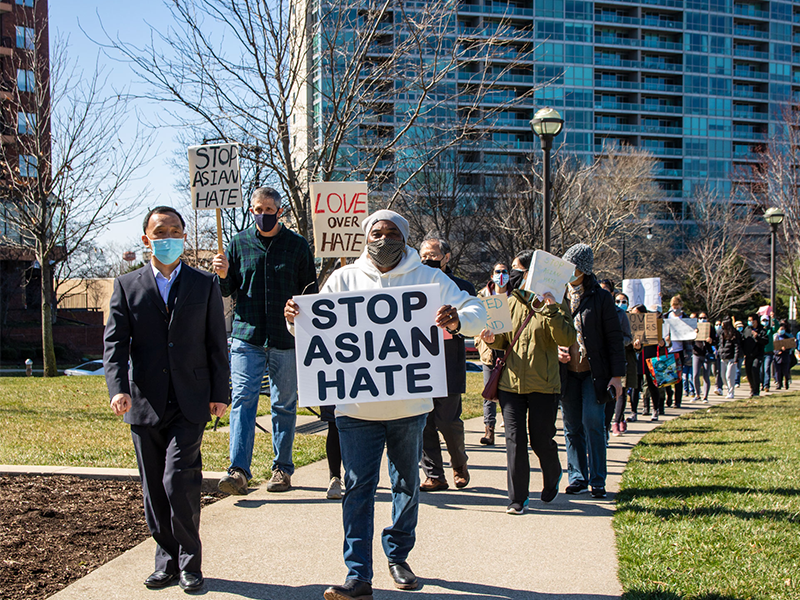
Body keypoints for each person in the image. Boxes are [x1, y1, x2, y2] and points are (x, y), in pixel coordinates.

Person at [285, 210, 486, 600]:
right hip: (355, 410)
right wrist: (294, 317)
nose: (383, 238)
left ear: (405, 237)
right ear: (365, 237)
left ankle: (398, 555)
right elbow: (311, 328)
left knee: (406, 485)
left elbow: (477, 312)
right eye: (376, 232)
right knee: (357, 488)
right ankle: (357, 573)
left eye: (392, 232)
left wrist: (456, 319)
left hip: (409, 409)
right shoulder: (343, 278)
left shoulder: (430, 278)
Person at [103, 207, 229, 593]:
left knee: (179, 482)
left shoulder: (204, 284)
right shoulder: (127, 286)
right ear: (146, 239)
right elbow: (114, 344)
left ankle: (191, 563)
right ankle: (167, 561)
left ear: (185, 236)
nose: (169, 236)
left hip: (190, 402)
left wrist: (220, 393)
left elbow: (215, 343)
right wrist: (118, 389)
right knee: (154, 488)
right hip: (144, 402)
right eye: (161, 231)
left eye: (176, 230)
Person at [212, 187, 318, 495]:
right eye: (257, 209)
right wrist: (222, 273)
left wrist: (299, 310)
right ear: (251, 210)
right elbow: (227, 290)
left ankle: (281, 470)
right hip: (247, 337)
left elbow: (309, 293)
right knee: (243, 401)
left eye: (269, 210)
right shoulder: (238, 243)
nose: (263, 215)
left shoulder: (297, 246)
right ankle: (238, 471)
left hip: (286, 338)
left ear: (280, 212)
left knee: (283, 404)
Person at [479, 285, 576, 514]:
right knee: (514, 440)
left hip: (544, 384)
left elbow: (566, 337)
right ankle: (517, 499)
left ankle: (552, 472)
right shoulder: (508, 302)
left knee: (541, 440)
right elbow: (502, 340)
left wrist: (551, 310)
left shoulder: (556, 302)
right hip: (510, 385)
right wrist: (492, 340)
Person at [559, 244, 625, 499]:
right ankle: (577, 477)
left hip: (594, 372)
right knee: (571, 425)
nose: (568, 271)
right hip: (567, 372)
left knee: (593, 423)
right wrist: (557, 352)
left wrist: (617, 376)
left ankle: (598, 479)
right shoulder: (557, 294)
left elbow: (614, 339)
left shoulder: (601, 297)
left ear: (584, 270)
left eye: (573, 267)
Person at [418, 235, 476, 491]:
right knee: (424, 422)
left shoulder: (462, 287)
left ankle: (459, 463)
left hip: (449, 362)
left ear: (447, 257)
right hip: (418, 363)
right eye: (423, 256)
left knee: (448, 421)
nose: (427, 260)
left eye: (433, 255)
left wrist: (454, 323)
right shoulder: (412, 284)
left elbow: (471, 321)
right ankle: (434, 475)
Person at [475, 261, 513, 446]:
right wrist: (479, 342)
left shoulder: (514, 296)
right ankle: (488, 430)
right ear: (492, 275)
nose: (501, 274)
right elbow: (476, 321)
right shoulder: (482, 295)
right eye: (498, 271)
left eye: (504, 271)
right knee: (488, 391)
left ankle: (511, 428)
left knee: (508, 391)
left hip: (509, 349)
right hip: (489, 350)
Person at [606, 289, 632, 436]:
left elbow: (628, 337)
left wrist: (616, 342)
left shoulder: (620, 315)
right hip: (599, 361)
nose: (620, 304)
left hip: (619, 359)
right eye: (618, 301)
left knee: (619, 392)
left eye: (623, 302)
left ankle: (616, 422)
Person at [663, 295, 687, 409]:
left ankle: (677, 401)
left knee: (678, 378)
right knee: (667, 377)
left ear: (681, 306)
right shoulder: (666, 317)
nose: (675, 308)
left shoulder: (685, 318)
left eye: (677, 306)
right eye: (673, 306)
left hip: (679, 350)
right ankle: (669, 396)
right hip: (668, 350)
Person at [691, 312, 716, 403]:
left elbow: (716, 341)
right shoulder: (695, 327)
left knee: (706, 375)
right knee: (695, 375)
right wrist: (694, 334)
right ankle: (697, 394)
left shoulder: (711, 328)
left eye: (704, 317)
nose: (702, 319)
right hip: (697, 353)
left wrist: (711, 341)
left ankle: (705, 396)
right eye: (700, 318)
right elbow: (689, 340)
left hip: (707, 354)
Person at [742, 314, 769, 397]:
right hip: (748, 355)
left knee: (755, 370)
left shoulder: (761, 330)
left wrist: (758, 337)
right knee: (749, 372)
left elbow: (765, 341)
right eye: (749, 320)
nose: (750, 322)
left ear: (756, 321)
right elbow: (743, 341)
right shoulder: (747, 329)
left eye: (751, 320)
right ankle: (752, 388)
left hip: (758, 354)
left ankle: (756, 390)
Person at [718, 317, 742, 399]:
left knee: (729, 376)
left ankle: (731, 392)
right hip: (723, 357)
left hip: (731, 358)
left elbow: (737, 347)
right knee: (723, 376)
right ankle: (727, 389)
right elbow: (720, 344)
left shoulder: (734, 334)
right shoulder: (721, 333)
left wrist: (736, 358)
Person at [760, 315, 778, 392]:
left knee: (766, 368)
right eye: (763, 320)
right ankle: (762, 384)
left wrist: (774, 318)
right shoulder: (760, 330)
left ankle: (766, 385)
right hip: (761, 352)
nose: (765, 322)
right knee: (761, 370)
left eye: (766, 320)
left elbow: (777, 327)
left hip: (769, 353)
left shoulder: (770, 330)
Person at [773, 320, 793, 390]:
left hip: (785, 357)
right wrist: (777, 352)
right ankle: (779, 384)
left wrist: (785, 349)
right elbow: (773, 347)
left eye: (783, 329)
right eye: (780, 329)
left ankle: (786, 382)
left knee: (785, 371)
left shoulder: (787, 337)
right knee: (778, 371)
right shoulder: (775, 337)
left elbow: (791, 346)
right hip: (777, 357)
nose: (782, 330)